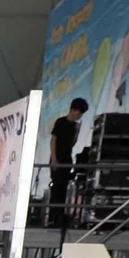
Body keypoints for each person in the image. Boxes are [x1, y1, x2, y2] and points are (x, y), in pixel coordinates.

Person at [49, 97, 88, 227]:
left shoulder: (73, 126)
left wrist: (77, 131)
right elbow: (53, 140)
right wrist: (54, 158)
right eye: (80, 112)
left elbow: (72, 144)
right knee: (57, 187)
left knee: (63, 188)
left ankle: (59, 216)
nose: (80, 115)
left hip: (67, 158)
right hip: (57, 157)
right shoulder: (60, 122)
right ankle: (53, 216)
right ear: (73, 110)